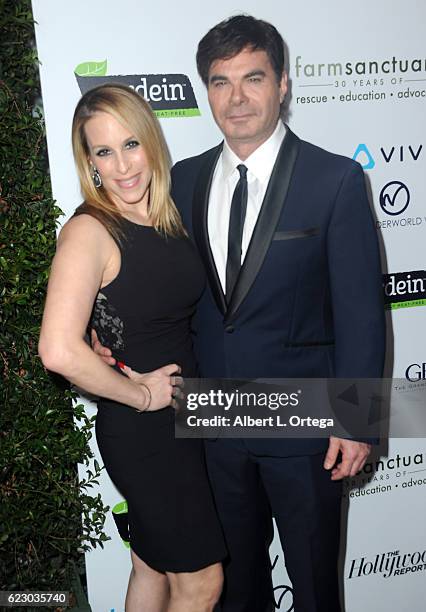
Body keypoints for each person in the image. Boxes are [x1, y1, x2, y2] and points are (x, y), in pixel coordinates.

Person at [94, 15, 386, 612]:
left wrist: (358, 423)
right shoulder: (181, 180)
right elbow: (142, 278)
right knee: (233, 590)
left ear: (282, 84)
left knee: (314, 587)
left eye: (253, 78)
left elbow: (363, 312)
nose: (237, 97)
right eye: (221, 82)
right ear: (206, 92)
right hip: (211, 427)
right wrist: (104, 338)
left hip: (305, 426)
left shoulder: (335, 180)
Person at [38, 84, 226, 612]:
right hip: (146, 432)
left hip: (188, 416)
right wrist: (139, 395)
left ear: (150, 143)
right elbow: (56, 349)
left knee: (151, 567)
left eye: (130, 145)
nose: (122, 165)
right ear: (89, 162)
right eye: (103, 151)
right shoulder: (91, 230)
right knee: (201, 582)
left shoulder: (160, 217)